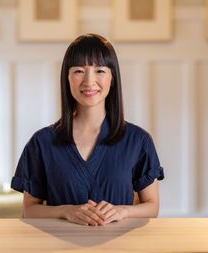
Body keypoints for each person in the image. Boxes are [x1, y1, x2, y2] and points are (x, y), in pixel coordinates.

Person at [11, 34, 164, 226]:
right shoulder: (42, 142)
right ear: (67, 77)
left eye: (99, 70)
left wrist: (123, 211)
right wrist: (65, 211)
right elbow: (29, 210)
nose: (89, 81)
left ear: (112, 78)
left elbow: (152, 206)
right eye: (79, 71)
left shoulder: (138, 140)